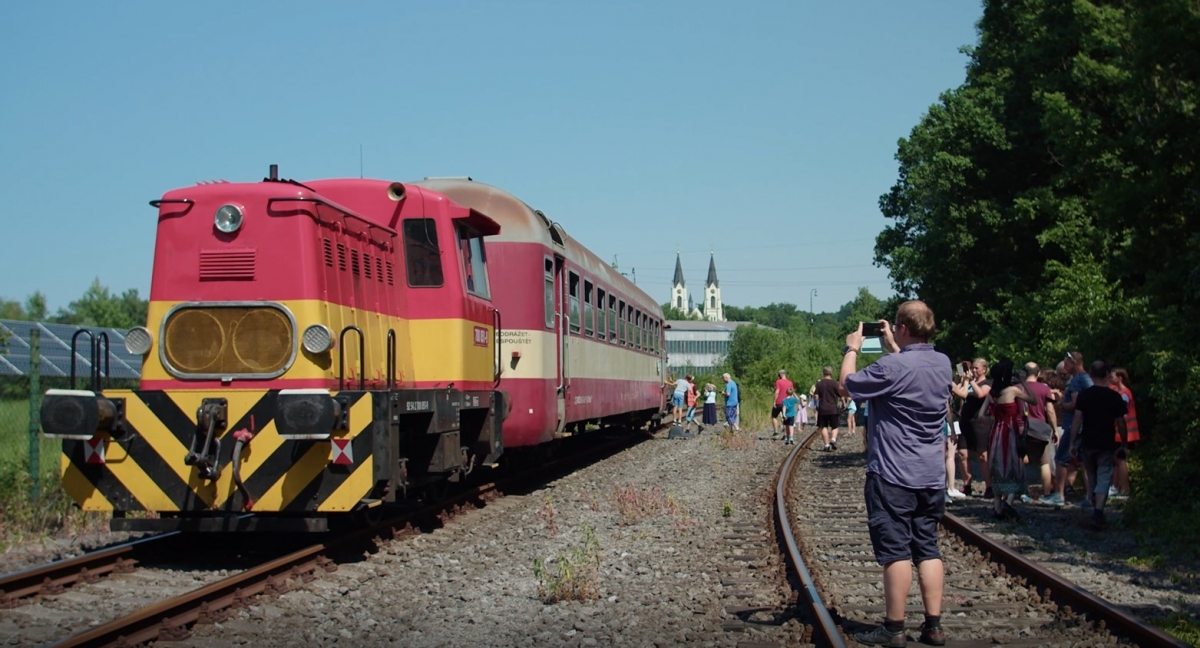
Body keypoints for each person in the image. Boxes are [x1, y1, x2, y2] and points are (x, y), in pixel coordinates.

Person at [838, 301, 951, 647]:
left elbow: (847, 385)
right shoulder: (943, 363)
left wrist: (851, 349)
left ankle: (894, 628)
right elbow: (912, 365)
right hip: (931, 475)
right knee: (927, 548)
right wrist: (896, 346)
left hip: (893, 474)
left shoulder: (891, 366)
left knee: (896, 552)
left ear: (901, 327)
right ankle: (933, 626)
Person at [1070, 361, 1128, 529]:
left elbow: (1077, 420)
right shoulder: (1114, 396)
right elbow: (1121, 423)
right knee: (1104, 475)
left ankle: (1096, 505)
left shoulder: (1084, 395)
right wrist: (1123, 443)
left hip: (1088, 441)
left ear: (1090, 374)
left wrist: (1072, 442)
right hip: (1106, 442)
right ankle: (1098, 511)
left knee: (1092, 474)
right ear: (1106, 375)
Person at [986, 360, 1037, 520]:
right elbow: (1032, 400)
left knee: (998, 466)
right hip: (1010, 430)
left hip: (996, 431)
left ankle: (997, 508)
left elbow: (982, 415)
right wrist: (1023, 382)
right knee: (1014, 464)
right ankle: (1008, 502)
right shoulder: (1013, 390)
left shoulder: (991, 393)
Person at [1044, 352, 1093, 506]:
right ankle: (1090, 497)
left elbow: (1076, 404)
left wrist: (1060, 404)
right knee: (1084, 462)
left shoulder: (1078, 380)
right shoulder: (1086, 379)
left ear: (1074, 363)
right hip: (1084, 426)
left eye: (1066, 364)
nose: (1064, 368)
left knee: (1060, 459)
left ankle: (1059, 494)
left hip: (1074, 426)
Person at [951, 358, 992, 498]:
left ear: (984, 369)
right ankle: (967, 484)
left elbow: (981, 394)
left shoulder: (987, 383)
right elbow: (958, 393)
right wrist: (960, 378)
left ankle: (989, 486)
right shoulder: (968, 383)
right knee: (962, 454)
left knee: (982, 456)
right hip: (965, 421)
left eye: (976, 368)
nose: (974, 371)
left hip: (980, 423)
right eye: (972, 368)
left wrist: (971, 381)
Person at [1022, 363, 1058, 500]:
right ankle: (1047, 494)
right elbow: (1050, 410)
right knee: (1044, 462)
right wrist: (1054, 430)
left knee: (1021, 461)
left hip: (1022, 428)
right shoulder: (1044, 389)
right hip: (1040, 428)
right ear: (1038, 374)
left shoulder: (1018, 387)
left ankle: (1022, 493)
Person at [1108, 368, 1138, 498]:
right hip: (1119, 432)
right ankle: (1115, 487)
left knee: (1120, 459)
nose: (1110, 378)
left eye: (1113, 376)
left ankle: (1125, 489)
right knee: (1116, 460)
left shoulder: (1125, 394)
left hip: (1125, 433)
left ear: (1119, 378)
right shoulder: (1118, 392)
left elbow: (1122, 415)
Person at [814, 367, 841, 451]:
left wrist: (816, 405)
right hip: (833, 408)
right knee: (835, 426)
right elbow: (840, 395)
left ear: (823, 373)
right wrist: (843, 403)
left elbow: (816, 396)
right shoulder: (835, 383)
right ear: (831, 373)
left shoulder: (819, 384)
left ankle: (826, 445)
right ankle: (833, 439)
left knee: (824, 427)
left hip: (823, 409)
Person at [772, 369, 794, 438]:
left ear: (780, 375)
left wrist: (774, 401)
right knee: (785, 418)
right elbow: (792, 393)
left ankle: (776, 432)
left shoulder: (778, 381)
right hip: (787, 403)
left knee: (774, 416)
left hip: (779, 402)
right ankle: (785, 434)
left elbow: (777, 391)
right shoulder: (790, 382)